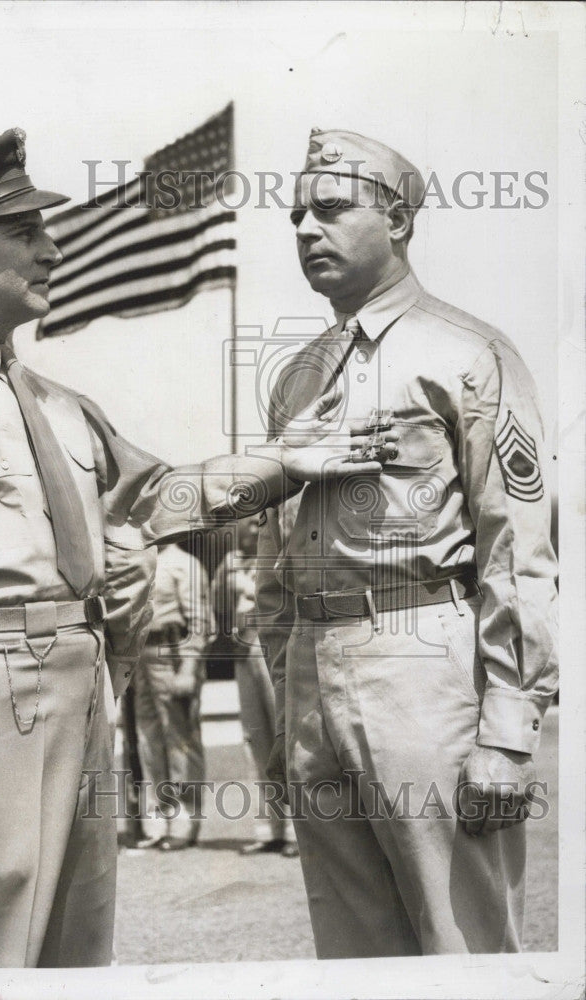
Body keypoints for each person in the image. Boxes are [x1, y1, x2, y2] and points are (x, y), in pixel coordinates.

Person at [0, 128, 381, 968]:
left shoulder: (59, 403)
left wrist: (284, 463)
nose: (52, 249)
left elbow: (159, 494)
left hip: (80, 685)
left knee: (74, 949)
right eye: (24, 234)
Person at [256, 129, 558, 958]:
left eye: (330, 209)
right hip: (315, 671)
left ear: (396, 220)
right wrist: (287, 688)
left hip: (424, 663)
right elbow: (276, 552)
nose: (305, 231)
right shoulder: (298, 374)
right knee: (351, 954)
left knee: (458, 942)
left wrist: (507, 723)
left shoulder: (469, 352)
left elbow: (516, 547)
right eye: (294, 217)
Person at [211, 517, 297, 857]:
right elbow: (218, 604)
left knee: (285, 736)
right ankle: (269, 828)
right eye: (242, 524)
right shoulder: (230, 564)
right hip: (244, 651)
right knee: (256, 739)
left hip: (273, 649)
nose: (248, 530)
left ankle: (295, 831)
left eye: (254, 522)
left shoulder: (280, 552)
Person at [132, 542, 211, 850]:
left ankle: (185, 822)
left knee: (180, 739)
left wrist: (189, 668)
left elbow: (200, 623)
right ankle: (158, 822)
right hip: (141, 654)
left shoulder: (183, 563)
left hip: (173, 651)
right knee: (148, 737)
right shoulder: (137, 559)